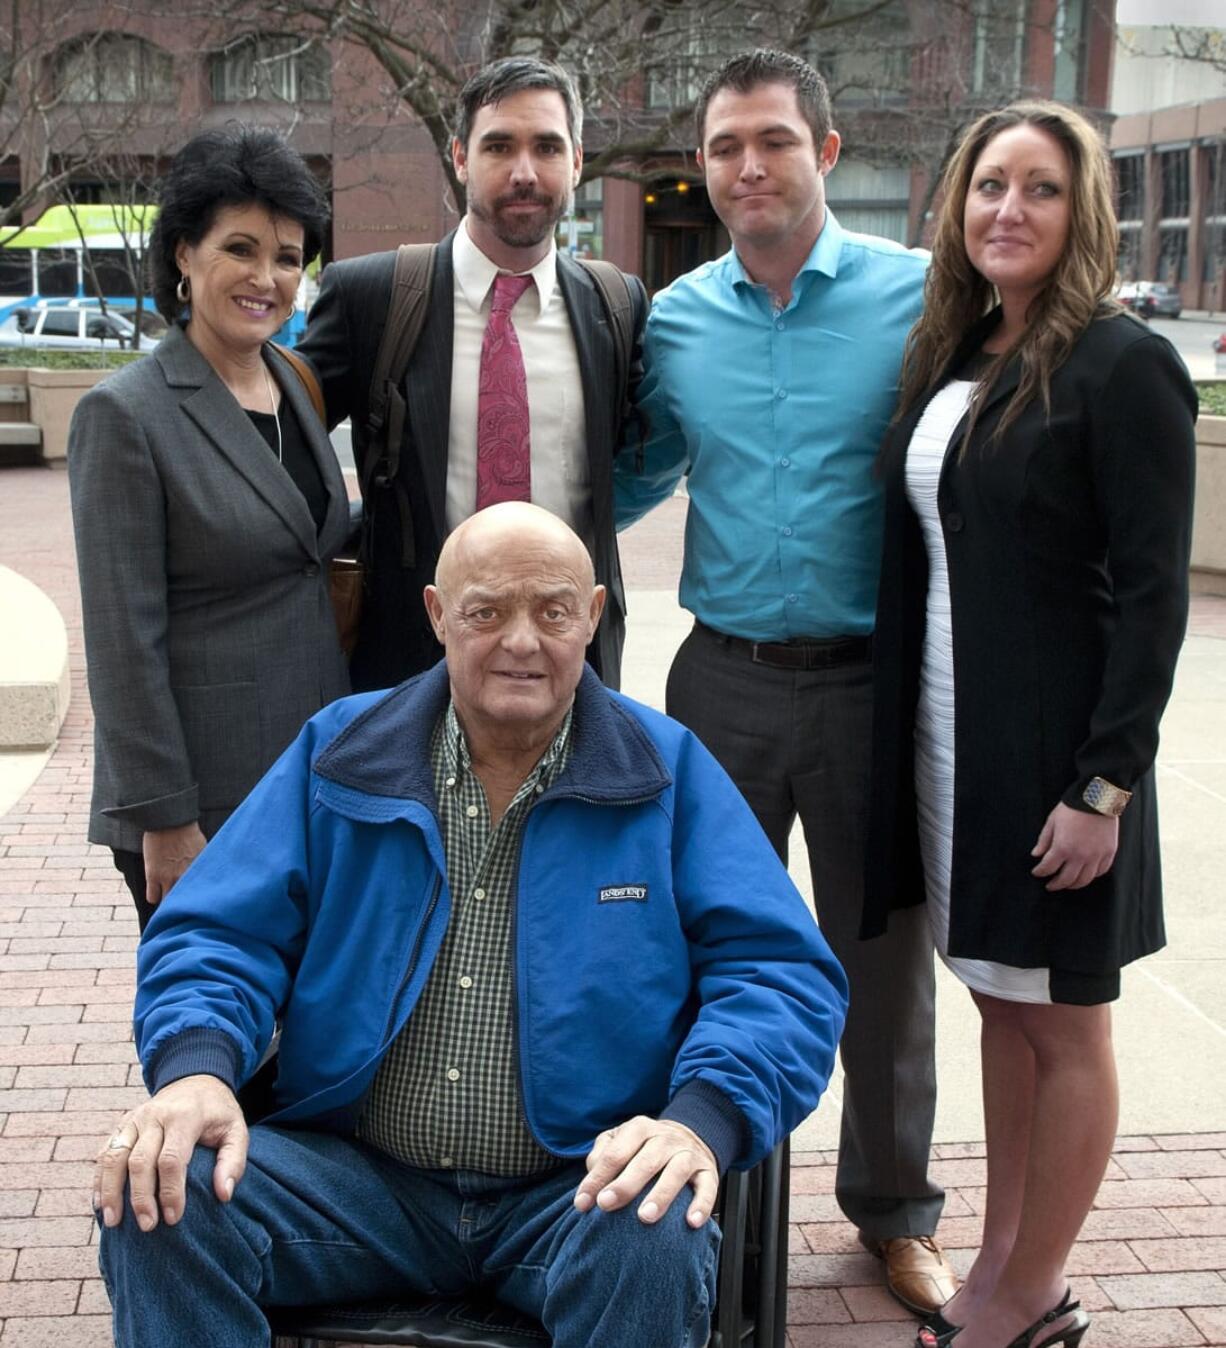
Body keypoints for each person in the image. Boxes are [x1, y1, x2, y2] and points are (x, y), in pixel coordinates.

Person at [92, 502, 848, 1348]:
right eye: (487, 611)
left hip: (577, 1188)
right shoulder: (343, 753)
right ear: (437, 615)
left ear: (593, 617)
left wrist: (698, 1119)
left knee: (655, 1224)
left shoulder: (665, 773)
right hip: (361, 1182)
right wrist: (198, 1069)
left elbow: (779, 974)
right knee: (158, 1189)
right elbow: (216, 933)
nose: (522, 641)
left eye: (553, 611)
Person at [615, 49, 955, 1314]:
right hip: (721, 685)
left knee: (879, 965)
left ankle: (894, 1212)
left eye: (771, 140)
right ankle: (704, 1194)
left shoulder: (919, 296)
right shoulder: (675, 317)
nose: (747, 167)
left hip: (874, 685)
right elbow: (636, 471)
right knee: (700, 954)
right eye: (722, 148)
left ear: (825, 145)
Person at [864, 101, 1196, 1348]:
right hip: (963, 748)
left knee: (1064, 1018)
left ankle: (1031, 1287)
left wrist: (1103, 785)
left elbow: (1154, 597)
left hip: (1062, 766)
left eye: (1040, 189)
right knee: (1002, 1002)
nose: (1007, 209)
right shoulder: (958, 352)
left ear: (1083, 213)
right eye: (987, 184)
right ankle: (1004, 1256)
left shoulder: (1120, 365)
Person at [67, 126, 351, 933]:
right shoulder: (126, 414)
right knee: (218, 1024)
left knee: (303, 1026)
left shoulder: (291, 381)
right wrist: (163, 815)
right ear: (184, 255)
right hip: (200, 800)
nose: (267, 278)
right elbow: (122, 636)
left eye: (289, 257)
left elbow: (297, 536)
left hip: (305, 771)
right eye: (241, 248)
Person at [299, 56, 647, 693]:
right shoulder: (369, 297)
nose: (523, 172)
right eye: (498, 146)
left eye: (546, 146)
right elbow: (285, 446)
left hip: (570, 665)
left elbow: (639, 454)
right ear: (460, 156)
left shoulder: (615, 305)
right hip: (408, 663)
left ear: (575, 162)